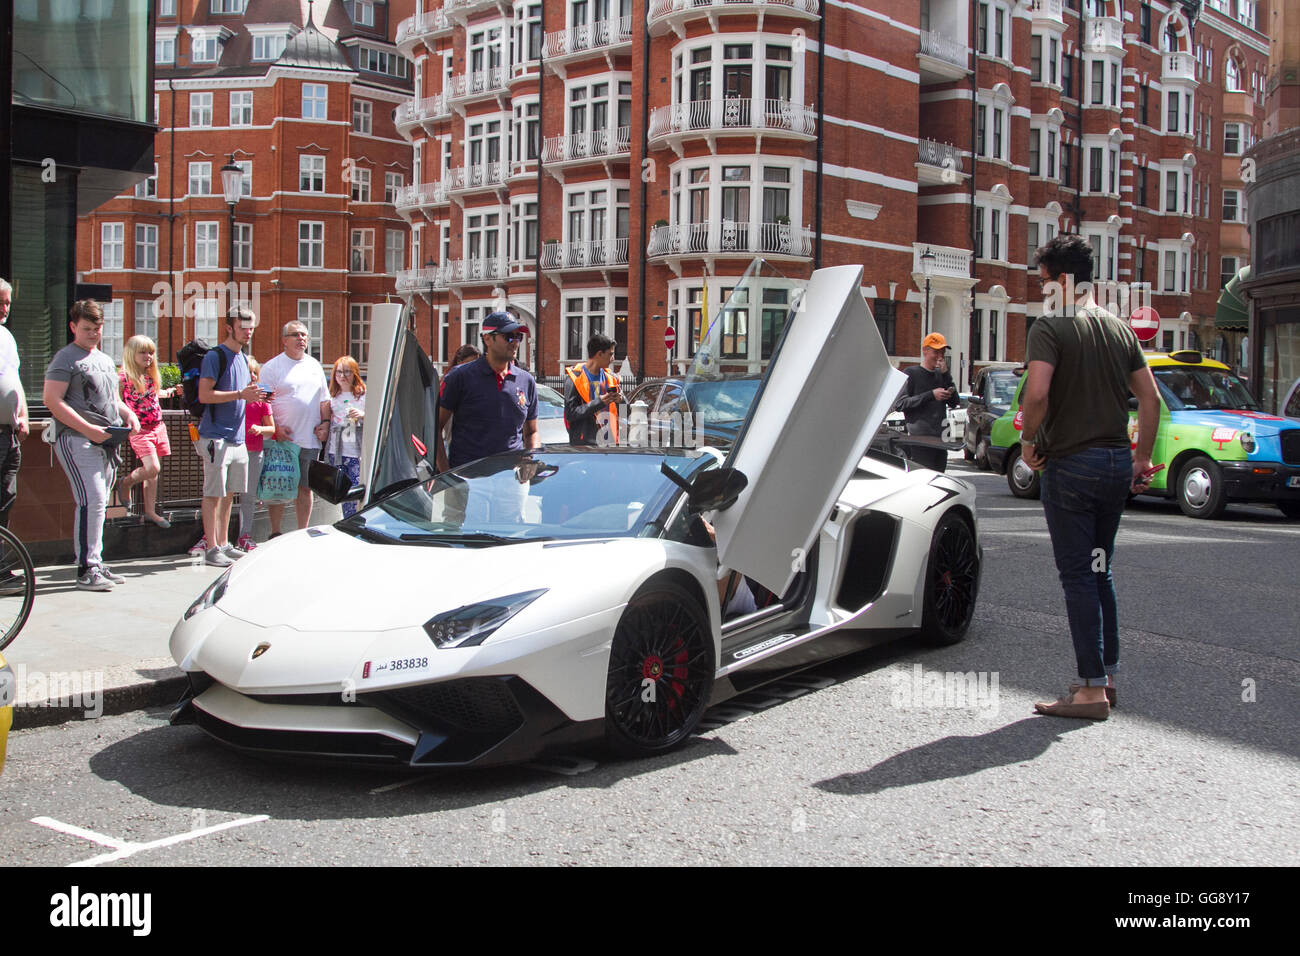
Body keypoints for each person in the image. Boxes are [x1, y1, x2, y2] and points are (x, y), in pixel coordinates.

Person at [1022, 234, 1160, 721]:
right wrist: (1142, 460)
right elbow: (1151, 399)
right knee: (1101, 572)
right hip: (1115, 465)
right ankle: (1108, 676)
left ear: (1062, 280)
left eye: (1044, 282)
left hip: (1073, 466)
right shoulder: (1118, 328)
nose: (1042, 291)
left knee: (1078, 575)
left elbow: (1036, 394)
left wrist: (1028, 441)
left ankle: (1088, 691)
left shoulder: (1050, 325)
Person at [43, 300, 141, 591]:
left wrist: (129, 414)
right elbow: (51, 400)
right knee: (93, 500)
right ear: (73, 327)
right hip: (77, 439)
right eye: (87, 329)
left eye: (97, 329)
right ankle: (87, 568)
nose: (93, 334)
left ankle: (94, 562)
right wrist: (87, 429)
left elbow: (113, 400)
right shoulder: (65, 358)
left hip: (106, 440)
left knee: (97, 504)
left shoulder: (104, 359)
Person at [435, 311, 539, 472]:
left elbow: (532, 432)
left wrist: (530, 459)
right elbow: (435, 428)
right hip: (468, 482)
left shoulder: (526, 381)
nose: (515, 342)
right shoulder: (459, 377)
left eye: (519, 337)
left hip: (512, 481)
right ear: (487, 339)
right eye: (508, 336)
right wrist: (446, 476)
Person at [196, 307, 260, 567]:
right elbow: (204, 395)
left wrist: (256, 394)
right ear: (229, 327)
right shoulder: (215, 356)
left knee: (229, 493)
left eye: (251, 326)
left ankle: (223, 543)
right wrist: (239, 394)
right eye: (243, 326)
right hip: (216, 437)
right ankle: (211, 548)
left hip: (238, 438)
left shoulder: (244, 359)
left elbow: (243, 395)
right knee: (213, 493)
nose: (248, 331)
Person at [259, 321, 330, 537]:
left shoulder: (315, 366)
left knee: (305, 487)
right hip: (282, 439)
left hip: (309, 438)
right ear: (284, 340)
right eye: (296, 335)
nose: (301, 339)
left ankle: (302, 532)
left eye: (304, 335)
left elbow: (324, 400)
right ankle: (275, 532)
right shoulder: (271, 367)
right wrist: (275, 429)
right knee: (278, 486)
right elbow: (263, 403)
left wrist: (326, 424)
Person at [116, 335, 176, 528]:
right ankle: (125, 482)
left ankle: (150, 511)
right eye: (143, 352)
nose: (148, 356)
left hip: (157, 426)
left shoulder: (150, 376)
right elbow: (116, 401)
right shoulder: (123, 377)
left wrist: (171, 391)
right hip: (140, 430)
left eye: (151, 352)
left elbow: (154, 394)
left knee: (153, 472)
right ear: (131, 354)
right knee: (152, 468)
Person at [896, 331, 961, 472]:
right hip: (920, 441)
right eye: (936, 352)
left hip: (940, 440)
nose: (940, 357)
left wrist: (946, 375)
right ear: (925, 351)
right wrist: (931, 395)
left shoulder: (941, 375)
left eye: (942, 352)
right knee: (923, 481)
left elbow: (955, 402)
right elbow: (900, 404)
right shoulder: (911, 373)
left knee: (939, 480)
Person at [0, 279, 29, 556]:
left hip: (8, 434)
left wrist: (24, 415)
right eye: (0, 302)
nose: (4, 308)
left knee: (5, 500)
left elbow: (15, 379)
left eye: (7, 302)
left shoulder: (6, 337)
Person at [236, 357, 275, 552]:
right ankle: (213, 536)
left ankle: (245, 534)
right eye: (248, 372)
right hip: (235, 450)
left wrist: (260, 428)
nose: (252, 376)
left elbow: (271, 429)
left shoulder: (262, 401)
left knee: (249, 495)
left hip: (254, 452)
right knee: (223, 494)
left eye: (255, 373)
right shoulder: (235, 397)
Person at [563, 333, 621, 446]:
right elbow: (570, 413)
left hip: (610, 444)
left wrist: (621, 400)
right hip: (584, 445)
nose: (613, 359)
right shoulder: (575, 378)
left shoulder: (612, 377)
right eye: (610, 354)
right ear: (599, 354)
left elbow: (625, 411)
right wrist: (600, 402)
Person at [326, 355, 366, 518]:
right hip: (337, 453)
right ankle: (348, 520)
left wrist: (363, 415)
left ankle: (356, 520)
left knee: (356, 491)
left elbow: (379, 419)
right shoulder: (332, 397)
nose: (342, 376)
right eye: (339, 372)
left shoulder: (363, 396)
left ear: (355, 374)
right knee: (342, 493)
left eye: (347, 372)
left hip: (356, 453)